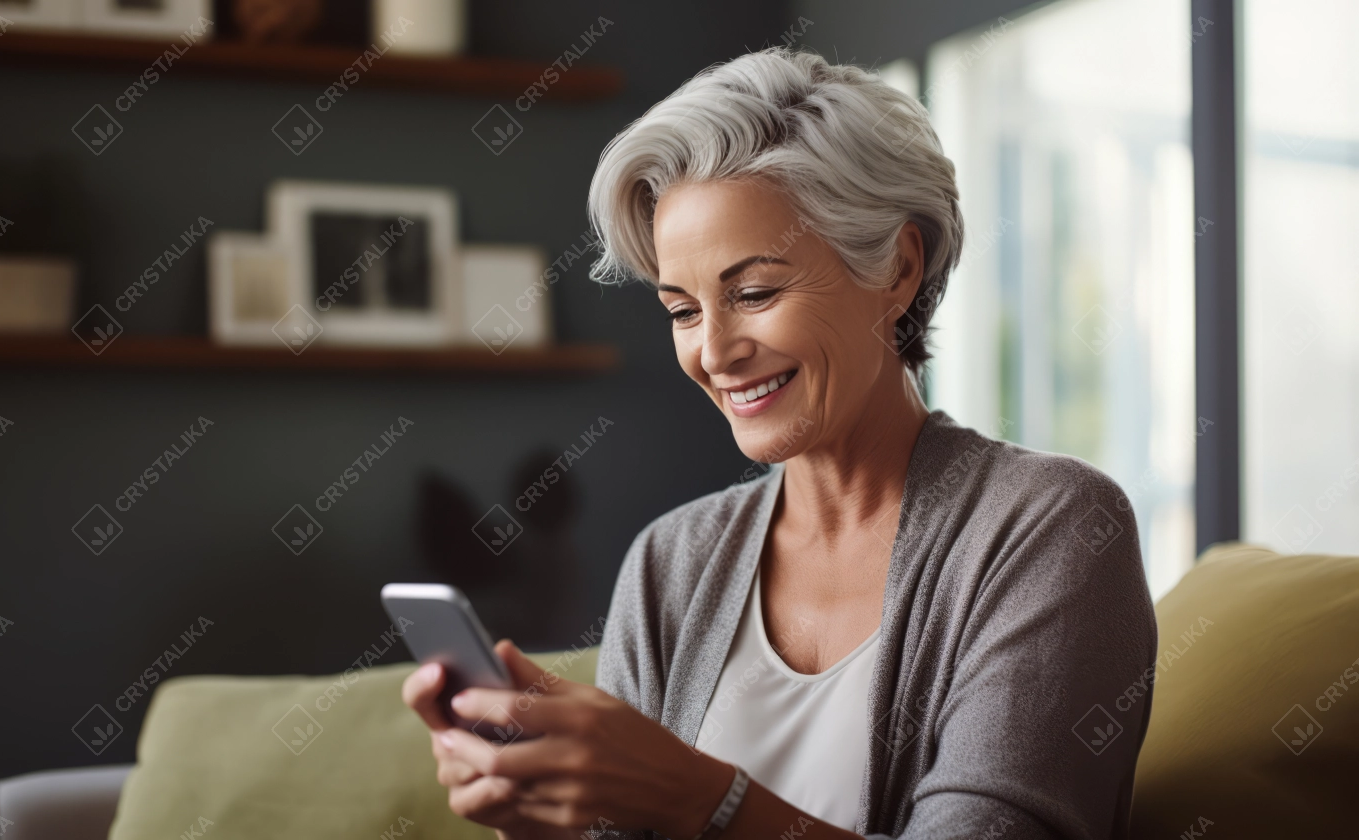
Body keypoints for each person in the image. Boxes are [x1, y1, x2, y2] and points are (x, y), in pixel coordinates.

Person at [404, 47, 1158, 840]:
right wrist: (544, 816)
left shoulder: (1050, 529)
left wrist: (697, 798)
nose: (715, 352)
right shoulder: (673, 561)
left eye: (754, 293)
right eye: (682, 311)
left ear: (898, 268)